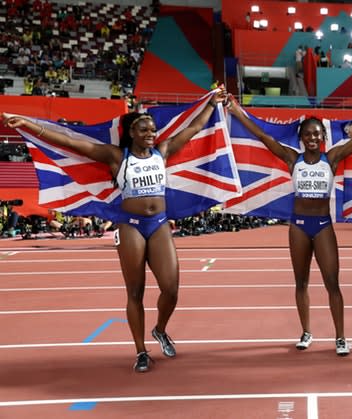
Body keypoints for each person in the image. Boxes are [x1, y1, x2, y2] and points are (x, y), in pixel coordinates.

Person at [2, 91, 226, 372]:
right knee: (135, 292)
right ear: (131, 132)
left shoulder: (163, 151)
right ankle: (141, 351)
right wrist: (27, 124)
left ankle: (159, 328)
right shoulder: (116, 156)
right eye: (144, 129)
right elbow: (71, 142)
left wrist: (211, 104)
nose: (150, 133)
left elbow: (194, 128)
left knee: (171, 289)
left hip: (158, 223)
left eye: (153, 129)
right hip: (130, 225)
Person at [225, 93, 352, 356]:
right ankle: (306, 332)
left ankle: (340, 337)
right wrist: (236, 111)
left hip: (322, 226)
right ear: (302, 138)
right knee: (301, 283)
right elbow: (263, 137)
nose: (312, 138)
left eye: (316, 134)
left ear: (323, 137)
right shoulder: (292, 159)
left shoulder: (331, 158)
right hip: (298, 226)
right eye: (308, 135)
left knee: (332, 283)